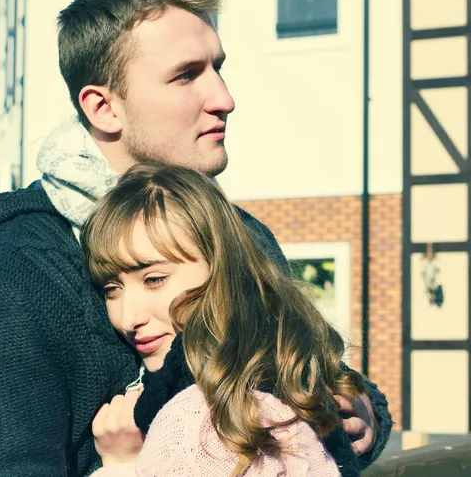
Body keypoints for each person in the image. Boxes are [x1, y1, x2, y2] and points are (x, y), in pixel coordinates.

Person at [0, 0, 391, 477]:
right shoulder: (14, 278)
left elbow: (315, 373)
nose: (224, 97)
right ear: (103, 107)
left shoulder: (237, 235)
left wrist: (360, 414)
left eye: (218, 67)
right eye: (186, 75)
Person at [82, 163, 381, 477]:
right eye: (111, 289)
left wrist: (122, 465)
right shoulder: (285, 371)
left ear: (219, 267)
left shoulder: (200, 419)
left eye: (154, 279)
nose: (128, 318)